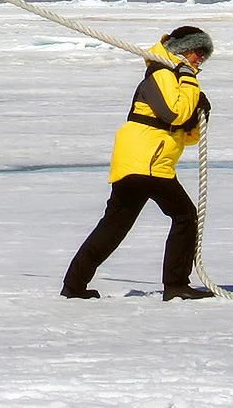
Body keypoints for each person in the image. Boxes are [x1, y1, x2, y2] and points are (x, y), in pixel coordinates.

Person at [61, 25, 216, 301]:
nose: (199, 60)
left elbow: (183, 132)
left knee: (114, 226)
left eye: (203, 55)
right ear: (182, 50)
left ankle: (74, 285)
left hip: (141, 159)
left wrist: (199, 113)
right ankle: (176, 284)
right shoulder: (162, 73)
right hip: (148, 160)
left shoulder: (171, 76)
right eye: (196, 52)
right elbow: (174, 113)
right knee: (184, 215)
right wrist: (190, 83)